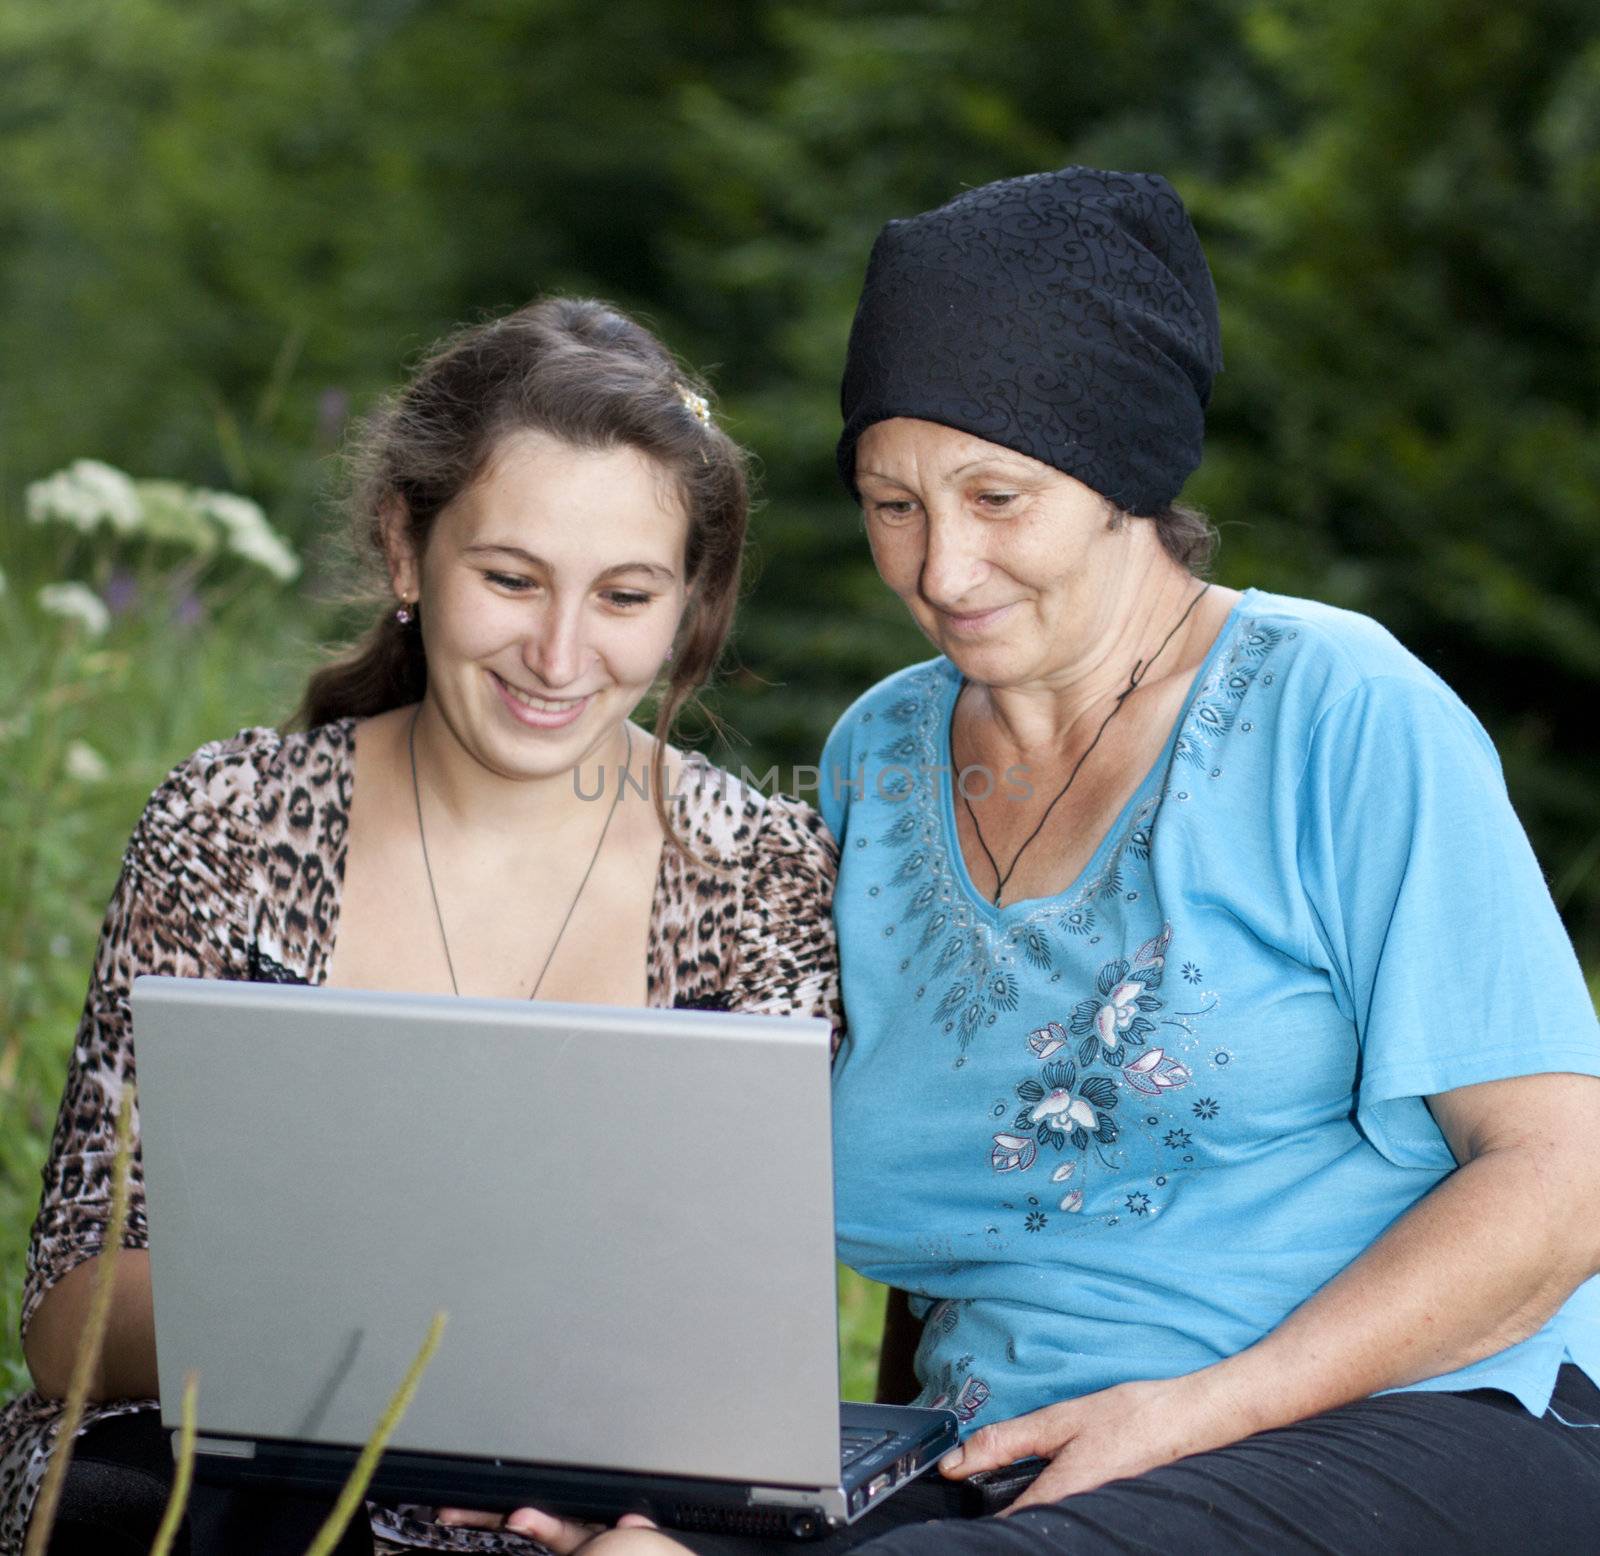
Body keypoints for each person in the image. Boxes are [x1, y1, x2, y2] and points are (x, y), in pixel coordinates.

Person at [535, 169, 1600, 1555]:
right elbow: (942, 1217)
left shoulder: (1340, 710)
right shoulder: (876, 757)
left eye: (999, 496)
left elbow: (1561, 1177)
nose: (943, 565)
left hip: (1412, 1418)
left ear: (1128, 474)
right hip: (1011, 1463)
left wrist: (1207, 1408)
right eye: (892, 502)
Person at [0, 296, 840, 1555]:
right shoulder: (228, 822)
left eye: (623, 595)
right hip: (237, 1482)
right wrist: (407, 1332)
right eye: (509, 578)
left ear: (687, 606)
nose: (560, 653)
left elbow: (736, 1350)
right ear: (407, 550)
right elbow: (70, 1326)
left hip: (610, 1503)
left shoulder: (760, 869)